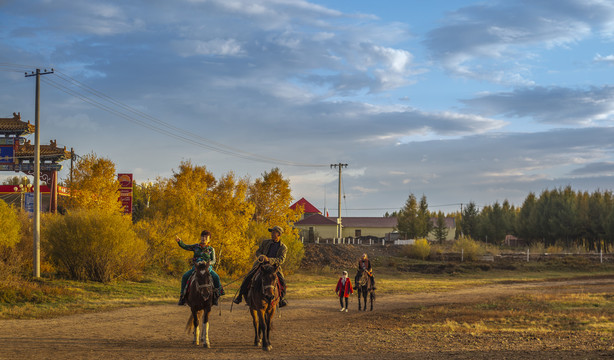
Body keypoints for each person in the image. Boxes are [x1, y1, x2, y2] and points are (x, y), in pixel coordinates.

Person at [233, 225, 288, 307]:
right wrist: (261, 256)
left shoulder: (283, 247)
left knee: (282, 281)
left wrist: (269, 260)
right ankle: (240, 296)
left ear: (279, 234)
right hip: (261, 265)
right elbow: (258, 251)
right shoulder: (265, 242)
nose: (272, 234)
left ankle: (281, 299)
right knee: (248, 277)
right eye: (272, 232)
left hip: (274, 267)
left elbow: (281, 260)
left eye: (274, 232)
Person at [176, 230, 224, 306]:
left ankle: (216, 296)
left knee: (216, 277)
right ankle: (182, 297)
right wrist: (180, 242)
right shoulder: (196, 246)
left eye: (205, 237)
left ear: (209, 239)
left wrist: (207, 263)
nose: (203, 238)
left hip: (207, 268)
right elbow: (186, 246)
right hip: (196, 267)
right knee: (185, 276)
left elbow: (214, 260)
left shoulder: (211, 249)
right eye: (202, 236)